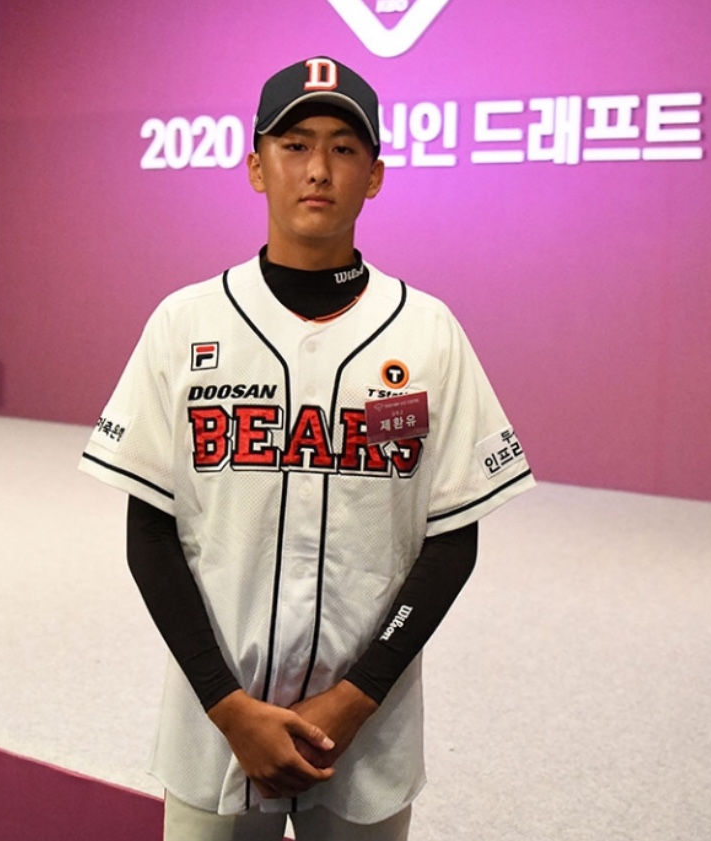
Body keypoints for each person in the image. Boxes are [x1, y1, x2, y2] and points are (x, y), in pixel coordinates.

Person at [79, 56, 535, 841]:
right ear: (256, 167)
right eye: (294, 144)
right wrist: (227, 706)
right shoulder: (186, 323)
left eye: (343, 148)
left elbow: (451, 539)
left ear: (375, 175)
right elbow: (149, 533)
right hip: (215, 730)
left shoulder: (426, 331)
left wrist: (353, 699)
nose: (318, 168)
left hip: (367, 727)